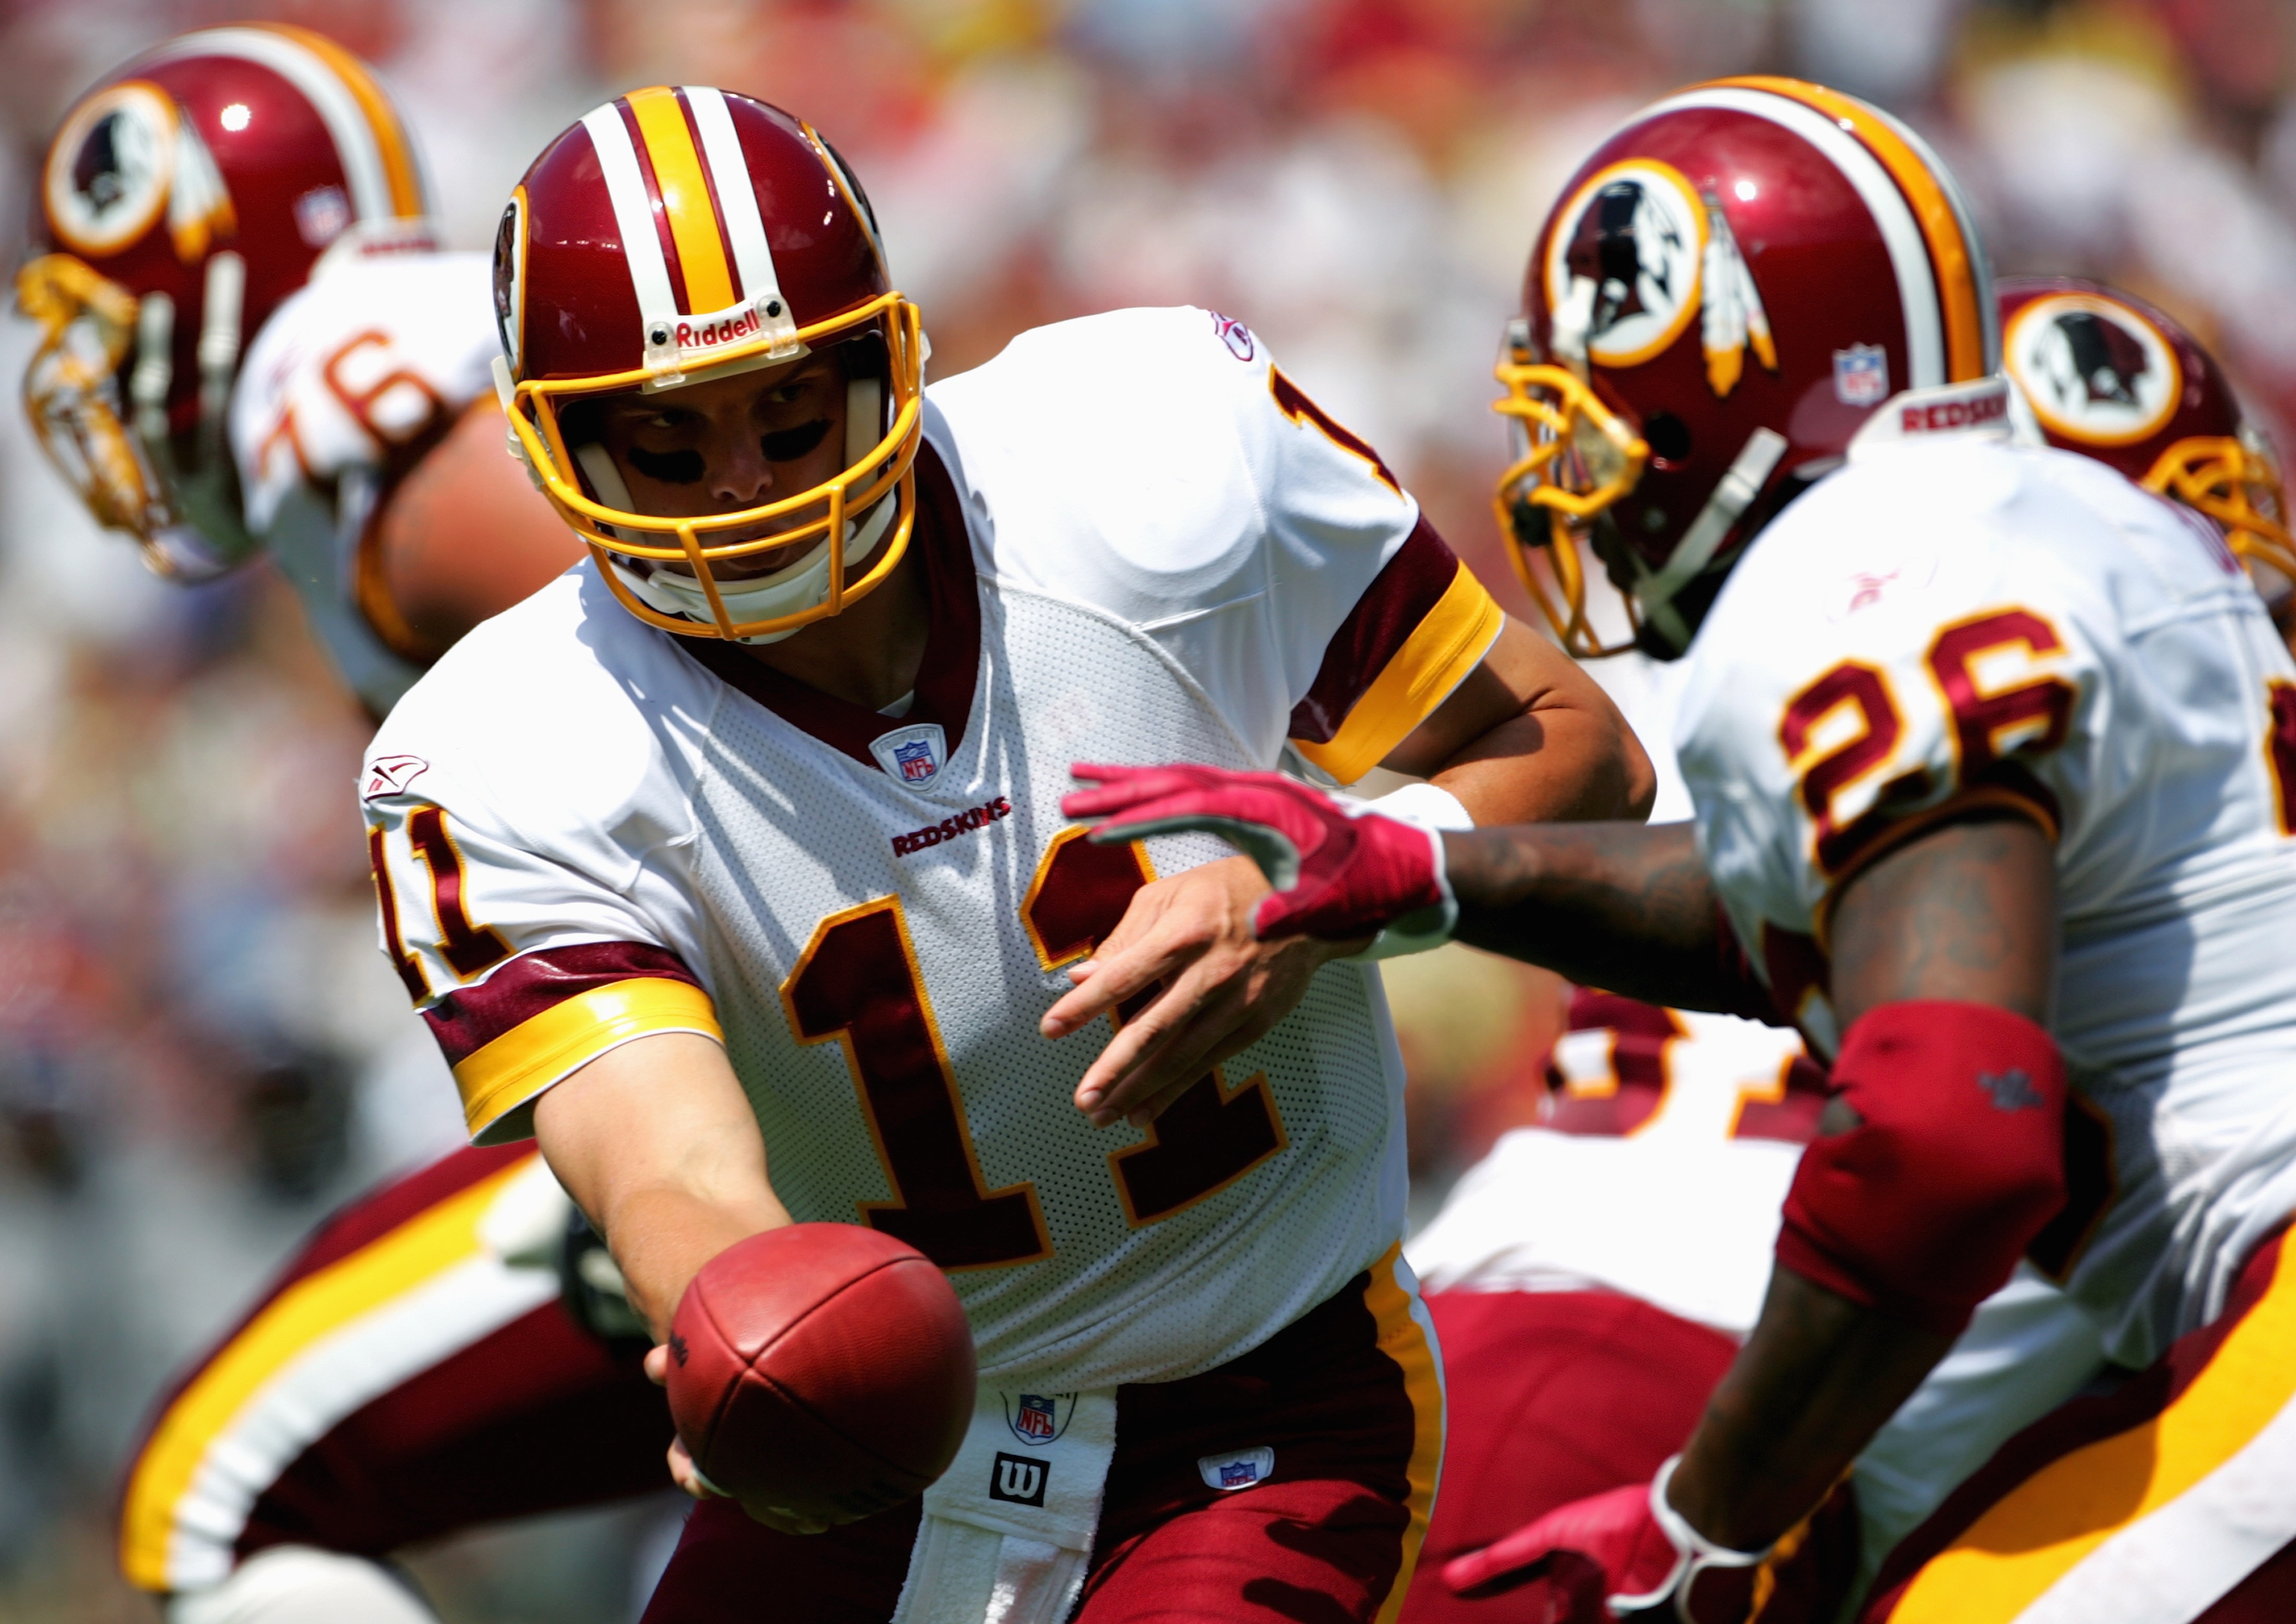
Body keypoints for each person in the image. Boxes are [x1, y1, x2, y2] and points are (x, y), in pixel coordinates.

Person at [357, 84, 1649, 1624]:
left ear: (890, 358)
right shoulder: (503, 749)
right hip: (885, 1436)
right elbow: (674, 1163)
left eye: (787, 411)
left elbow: (1574, 746)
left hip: (1262, 1389)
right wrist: (743, 1318)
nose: (742, 489)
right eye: (663, 439)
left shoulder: (1150, 451)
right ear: (558, 443)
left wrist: (1335, 885)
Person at [1067, 75, 2296, 1624]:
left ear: (1713, 388)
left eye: (1592, 428)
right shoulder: (2048, 522)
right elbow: (1832, 926)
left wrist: (1703, 1521)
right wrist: (1437, 870)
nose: (1584, 484)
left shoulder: (1859, 566)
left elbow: (1948, 1134)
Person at [14, 29, 660, 1624]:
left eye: (120, 322)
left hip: (814, 1101)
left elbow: (692, 670)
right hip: (815, 1070)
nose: (101, 381)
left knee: (217, 1485)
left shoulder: (348, 409)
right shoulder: (422, 353)